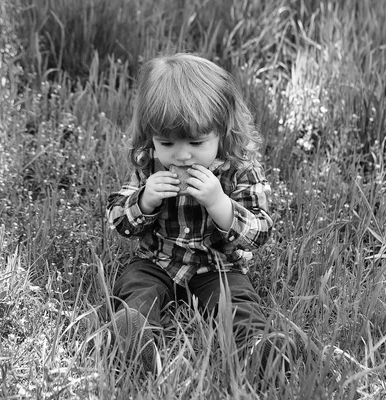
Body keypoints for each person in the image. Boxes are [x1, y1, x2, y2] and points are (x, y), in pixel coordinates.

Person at [106, 53, 295, 380]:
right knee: (135, 286)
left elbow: (261, 230)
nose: (180, 155)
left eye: (196, 142)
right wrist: (145, 199)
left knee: (236, 303)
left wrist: (219, 203)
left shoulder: (238, 170)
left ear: (222, 132)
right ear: (151, 137)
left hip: (217, 266)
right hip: (156, 260)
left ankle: (258, 350)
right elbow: (118, 219)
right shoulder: (150, 165)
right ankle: (135, 338)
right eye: (166, 142)